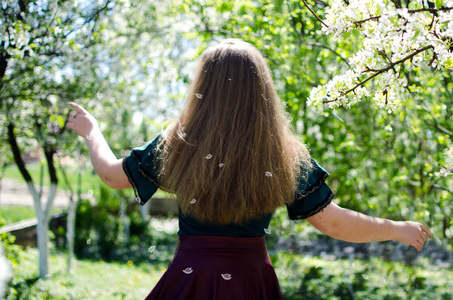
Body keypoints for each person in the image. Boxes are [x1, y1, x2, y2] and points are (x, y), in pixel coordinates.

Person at [67, 39, 432, 300]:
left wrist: (92, 132)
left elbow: (112, 175)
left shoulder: (179, 142)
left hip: (190, 279)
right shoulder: (285, 156)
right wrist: (395, 229)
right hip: (250, 281)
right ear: (262, 91)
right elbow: (333, 222)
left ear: (203, 88)